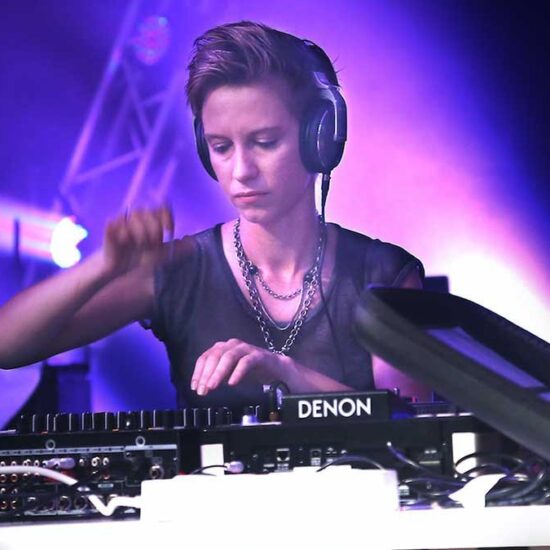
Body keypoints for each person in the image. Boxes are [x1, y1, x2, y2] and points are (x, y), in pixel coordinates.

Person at [0, 21, 425, 411]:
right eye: (222, 147)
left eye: (264, 141)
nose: (241, 171)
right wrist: (102, 267)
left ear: (320, 139)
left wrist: (287, 374)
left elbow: (411, 424)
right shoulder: (180, 269)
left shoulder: (383, 274)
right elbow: (7, 348)